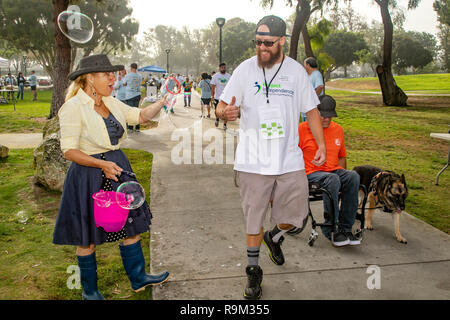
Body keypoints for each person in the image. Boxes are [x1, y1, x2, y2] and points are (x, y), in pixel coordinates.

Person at [215, 15, 326, 300]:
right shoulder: (244, 70)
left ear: (281, 42)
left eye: (268, 43)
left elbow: (312, 111)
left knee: (298, 217)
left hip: (289, 159)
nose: (262, 48)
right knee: (253, 219)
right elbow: (221, 106)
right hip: (253, 160)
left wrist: (321, 144)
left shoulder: (296, 72)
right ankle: (253, 271)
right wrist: (223, 113)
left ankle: (275, 236)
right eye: (258, 42)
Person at [53, 54, 169, 300]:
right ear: (89, 78)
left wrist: (162, 100)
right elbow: (69, 150)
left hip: (116, 170)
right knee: (87, 238)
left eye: (113, 74)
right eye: (107, 74)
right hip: (88, 174)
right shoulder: (73, 107)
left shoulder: (111, 102)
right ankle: (90, 292)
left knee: (130, 227)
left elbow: (139, 116)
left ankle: (138, 278)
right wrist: (100, 164)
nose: (113, 78)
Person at [298, 95, 361, 247]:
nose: (327, 119)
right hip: (310, 173)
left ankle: (346, 229)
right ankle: (330, 229)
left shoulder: (338, 129)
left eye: (330, 116)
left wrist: (344, 184)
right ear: (314, 112)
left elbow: (341, 158)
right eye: (323, 115)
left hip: (333, 171)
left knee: (353, 176)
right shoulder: (301, 129)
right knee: (332, 179)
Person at [302, 57, 324, 122]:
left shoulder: (316, 74)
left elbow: (320, 86)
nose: (304, 67)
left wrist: (313, 98)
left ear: (308, 65)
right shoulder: (311, 75)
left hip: (312, 109)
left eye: (304, 65)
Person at [211, 63, 231, 130]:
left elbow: (231, 86)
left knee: (226, 112)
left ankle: (225, 124)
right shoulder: (215, 76)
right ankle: (217, 119)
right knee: (217, 111)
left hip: (226, 98)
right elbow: (213, 87)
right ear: (219, 68)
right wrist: (212, 96)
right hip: (217, 97)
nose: (223, 69)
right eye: (222, 67)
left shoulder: (229, 76)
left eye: (224, 67)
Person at [123, 63, 142, 132]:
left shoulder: (128, 76)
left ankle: (130, 128)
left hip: (130, 95)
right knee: (136, 111)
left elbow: (124, 83)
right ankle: (137, 127)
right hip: (137, 94)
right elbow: (139, 83)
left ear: (131, 68)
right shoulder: (139, 76)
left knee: (130, 111)